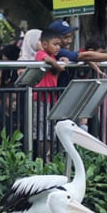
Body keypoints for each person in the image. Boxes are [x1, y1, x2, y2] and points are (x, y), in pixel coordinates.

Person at [33, 28, 67, 159]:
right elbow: (48, 60)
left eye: (59, 44)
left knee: (49, 130)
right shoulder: (41, 54)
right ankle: (43, 158)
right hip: (41, 98)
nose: (58, 47)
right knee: (42, 131)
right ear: (45, 44)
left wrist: (62, 61)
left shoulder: (55, 56)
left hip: (51, 99)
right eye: (55, 44)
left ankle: (48, 156)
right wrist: (59, 66)